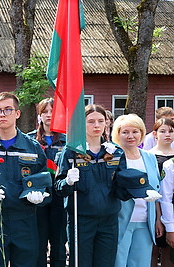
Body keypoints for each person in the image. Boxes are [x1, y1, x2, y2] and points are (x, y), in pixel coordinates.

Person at [0, 92, 50, 267]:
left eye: (8, 110)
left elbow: (46, 182)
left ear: (17, 113)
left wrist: (40, 195)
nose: (2, 114)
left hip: (25, 219)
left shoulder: (33, 147)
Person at [55, 104, 126, 267]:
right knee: (81, 263)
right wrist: (67, 182)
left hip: (109, 220)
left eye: (101, 121)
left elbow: (121, 190)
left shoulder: (116, 152)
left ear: (107, 123)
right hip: (81, 220)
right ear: (82, 124)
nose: (96, 125)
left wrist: (136, 187)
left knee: (105, 263)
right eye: (91, 121)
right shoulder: (71, 151)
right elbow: (58, 187)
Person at [111, 114, 162, 267]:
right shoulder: (112, 157)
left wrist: (158, 219)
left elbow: (156, 189)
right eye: (125, 132)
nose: (130, 136)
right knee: (118, 263)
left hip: (146, 221)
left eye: (135, 131)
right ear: (118, 134)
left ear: (141, 133)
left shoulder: (150, 157)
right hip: (120, 220)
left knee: (141, 263)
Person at [28, 98, 67, 267]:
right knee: (38, 243)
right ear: (39, 115)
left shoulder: (68, 140)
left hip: (60, 197)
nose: (49, 115)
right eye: (45, 111)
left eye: (53, 111)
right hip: (38, 198)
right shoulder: (29, 140)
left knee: (59, 244)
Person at [149, 118, 174, 267]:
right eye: (163, 131)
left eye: (171, 131)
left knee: (168, 249)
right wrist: (158, 217)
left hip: (170, 206)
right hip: (154, 206)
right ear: (155, 134)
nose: (167, 135)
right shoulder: (149, 155)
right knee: (153, 248)